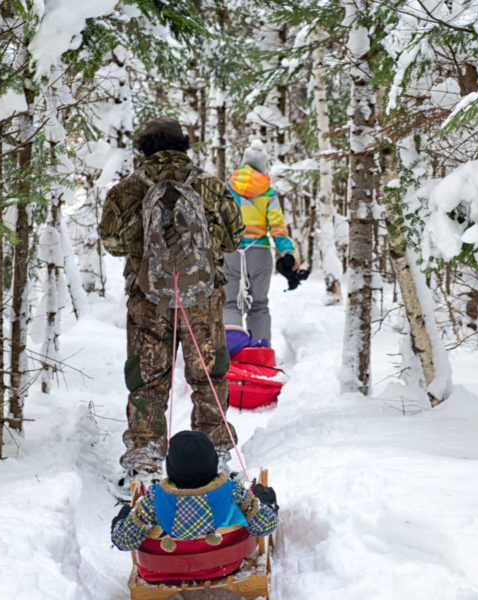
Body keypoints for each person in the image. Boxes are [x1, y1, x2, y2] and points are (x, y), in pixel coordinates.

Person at [98, 118, 245, 491]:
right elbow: (233, 239)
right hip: (202, 298)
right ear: (184, 145)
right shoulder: (210, 185)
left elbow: (112, 244)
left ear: (143, 147)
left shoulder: (126, 190)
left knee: (147, 381)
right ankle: (217, 454)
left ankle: (144, 463)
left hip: (148, 300)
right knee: (208, 376)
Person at [111, 431, 279, 582]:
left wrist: (123, 516)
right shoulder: (233, 493)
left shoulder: (153, 500)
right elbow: (265, 525)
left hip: (160, 571)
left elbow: (124, 540)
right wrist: (264, 500)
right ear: (213, 464)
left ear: (170, 467)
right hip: (223, 567)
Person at [222, 140, 300, 346]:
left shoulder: (226, 189)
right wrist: (288, 253)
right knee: (259, 305)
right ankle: (260, 351)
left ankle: (233, 352)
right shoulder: (269, 193)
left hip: (230, 253)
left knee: (230, 303)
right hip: (260, 254)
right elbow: (278, 227)